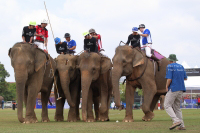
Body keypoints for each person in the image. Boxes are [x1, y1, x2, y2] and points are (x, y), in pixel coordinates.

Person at [164, 54, 187, 130]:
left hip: (174, 88)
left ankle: (176, 120)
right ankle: (181, 125)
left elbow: (169, 78)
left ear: (170, 60)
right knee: (177, 108)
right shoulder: (181, 66)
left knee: (167, 105)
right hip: (181, 89)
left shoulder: (170, 66)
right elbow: (185, 78)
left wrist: (166, 86)